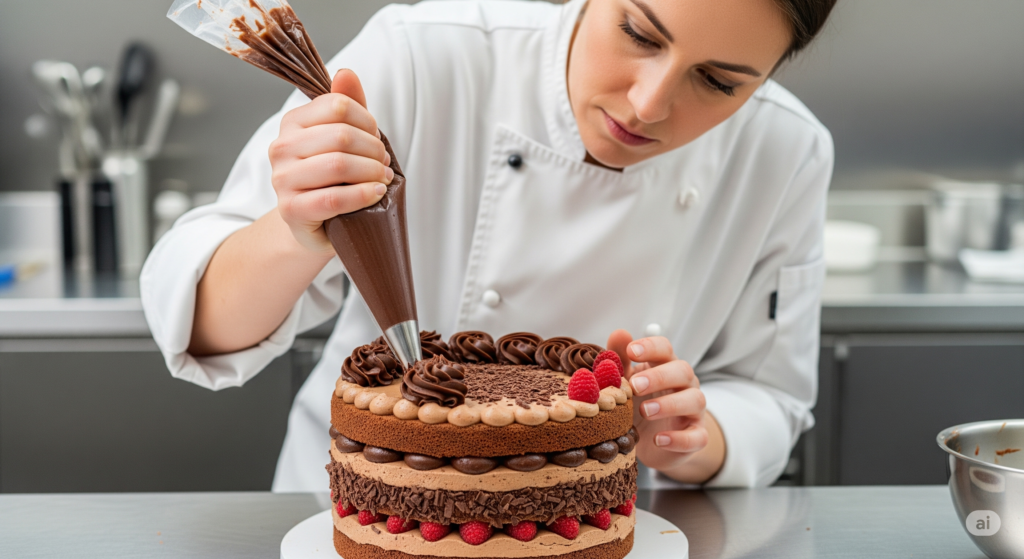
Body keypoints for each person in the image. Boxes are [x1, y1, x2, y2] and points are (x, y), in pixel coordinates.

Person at [142, 0, 837, 491]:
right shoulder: (425, 56)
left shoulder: (785, 151)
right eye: (638, 31)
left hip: (590, 534)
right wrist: (295, 230)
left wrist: (692, 438)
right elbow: (202, 321)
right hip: (353, 520)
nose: (649, 102)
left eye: (718, 81)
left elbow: (769, 397)